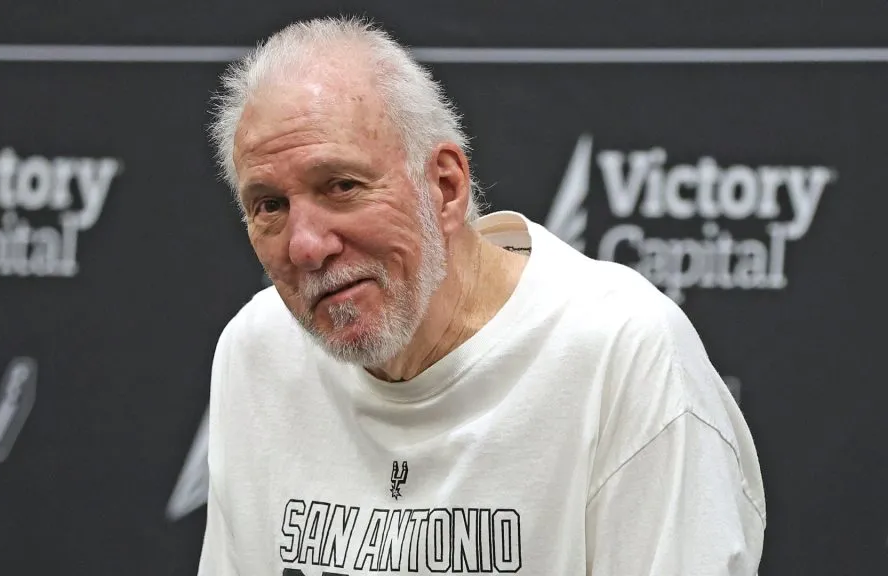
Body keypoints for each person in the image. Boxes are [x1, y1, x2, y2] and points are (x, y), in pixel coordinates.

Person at [197, 16, 766, 575]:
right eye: (269, 206)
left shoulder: (621, 351)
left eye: (342, 186)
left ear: (445, 188)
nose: (306, 246)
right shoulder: (258, 351)